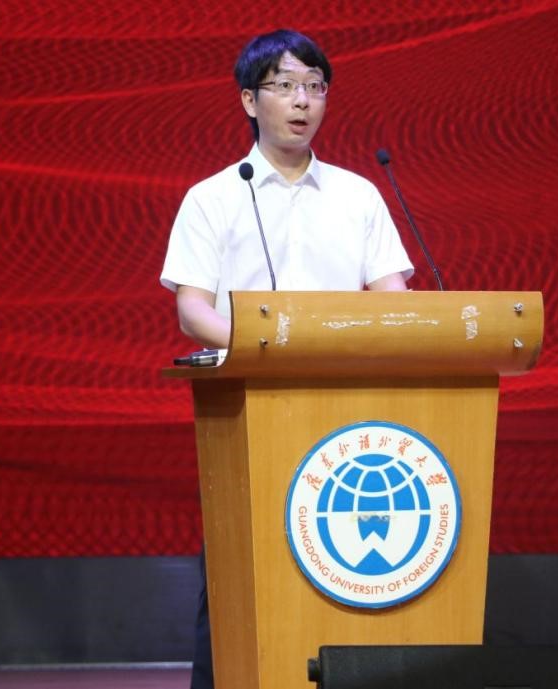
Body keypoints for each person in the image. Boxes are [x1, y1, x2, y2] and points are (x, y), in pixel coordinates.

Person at [160, 29, 414, 689]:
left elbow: (394, 299)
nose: (302, 101)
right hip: (249, 405)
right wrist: (255, 349)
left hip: (349, 413)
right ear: (250, 100)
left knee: (343, 562)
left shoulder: (358, 195)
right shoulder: (213, 197)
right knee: (242, 566)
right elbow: (192, 310)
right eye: (285, 86)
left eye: (315, 87)